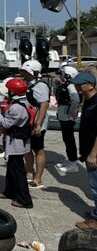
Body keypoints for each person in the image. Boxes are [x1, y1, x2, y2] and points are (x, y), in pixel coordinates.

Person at [0, 78, 34, 209]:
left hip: (16, 142)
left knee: (18, 171)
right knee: (12, 168)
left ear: (13, 92)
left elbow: (6, 123)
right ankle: (9, 191)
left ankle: (25, 200)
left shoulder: (16, 107)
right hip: (21, 140)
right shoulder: (26, 102)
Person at [71, 71, 97, 229]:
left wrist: (93, 154)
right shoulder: (88, 101)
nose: (77, 86)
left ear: (91, 86)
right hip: (88, 149)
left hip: (94, 153)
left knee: (96, 187)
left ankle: (95, 220)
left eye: (81, 83)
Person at [20, 60, 50, 189]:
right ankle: (29, 173)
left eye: (27, 72)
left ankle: (38, 179)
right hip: (27, 121)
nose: (24, 75)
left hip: (37, 121)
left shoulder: (41, 86)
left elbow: (44, 105)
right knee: (27, 148)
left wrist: (38, 124)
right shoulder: (28, 83)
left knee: (38, 149)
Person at [55, 66, 81, 173]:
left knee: (69, 140)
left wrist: (72, 111)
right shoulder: (65, 85)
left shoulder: (71, 86)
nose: (60, 76)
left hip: (67, 116)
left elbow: (75, 99)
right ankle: (70, 159)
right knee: (66, 139)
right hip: (63, 115)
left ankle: (73, 163)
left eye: (61, 74)